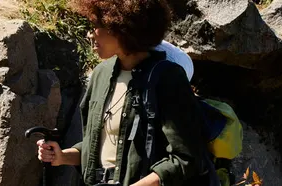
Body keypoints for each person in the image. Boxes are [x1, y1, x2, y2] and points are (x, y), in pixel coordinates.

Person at [36, 0, 211, 185]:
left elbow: (187, 158)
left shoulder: (168, 78)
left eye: (96, 26)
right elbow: (94, 146)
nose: (89, 34)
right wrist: (61, 156)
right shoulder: (100, 74)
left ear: (120, 26)